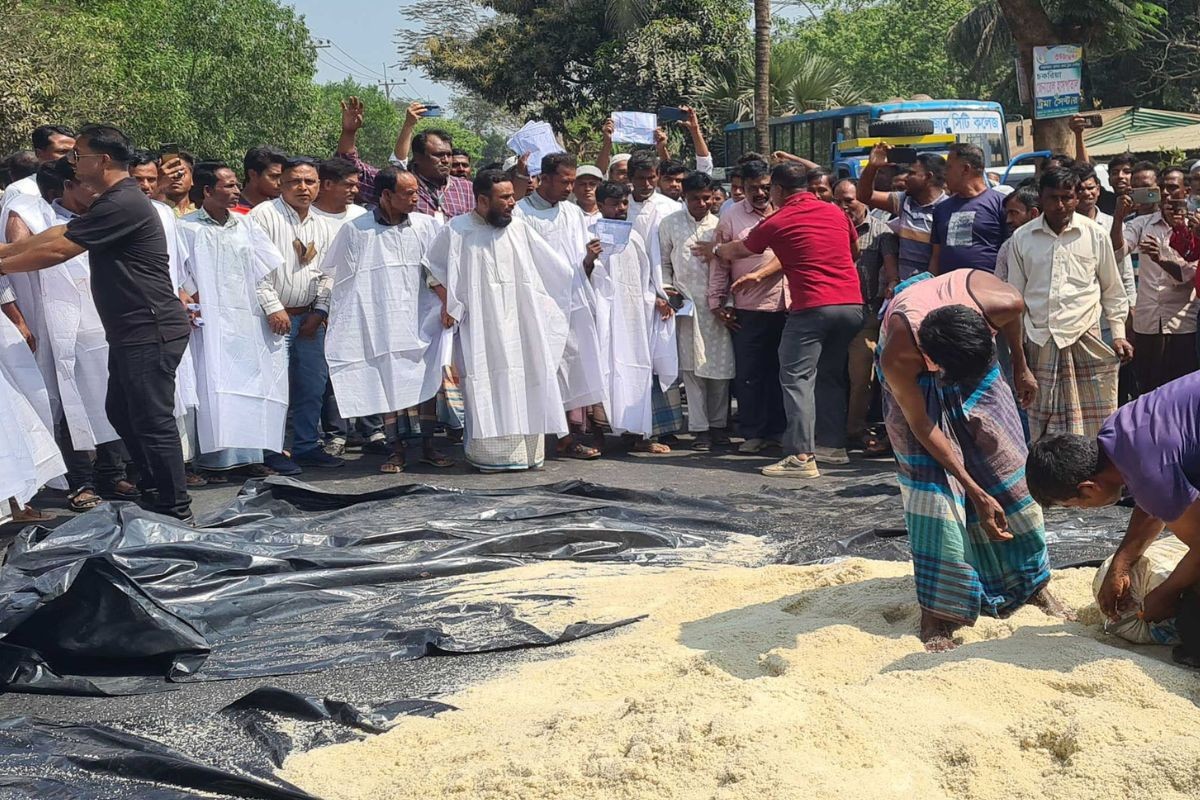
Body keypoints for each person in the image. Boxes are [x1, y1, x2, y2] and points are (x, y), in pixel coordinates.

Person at [0, 124, 194, 521]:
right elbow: (58, 232)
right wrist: (7, 251)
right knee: (121, 411)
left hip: (149, 326)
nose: (73, 162)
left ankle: (175, 508)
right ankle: (155, 490)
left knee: (151, 418)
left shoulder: (124, 202)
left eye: (79, 155)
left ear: (101, 160)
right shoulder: (114, 199)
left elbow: (58, 250)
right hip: (131, 328)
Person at [878, 269, 1061, 649]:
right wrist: (974, 490)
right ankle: (938, 614)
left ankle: (1032, 585)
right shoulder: (900, 352)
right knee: (933, 495)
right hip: (918, 389)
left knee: (1012, 474)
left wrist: (1021, 366)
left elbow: (1014, 316)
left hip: (977, 364)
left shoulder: (1000, 304)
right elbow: (923, 426)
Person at [694, 163, 863, 477]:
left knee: (796, 378)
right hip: (851, 305)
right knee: (829, 376)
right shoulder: (834, 212)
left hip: (811, 307)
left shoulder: (780, 219)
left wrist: (715, 249)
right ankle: (832, 447)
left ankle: (801, 457)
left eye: (770, 187)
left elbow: (741, 249)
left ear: (779, 190)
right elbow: (853, 250)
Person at [424, 169, 575, 472]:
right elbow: (432, 271)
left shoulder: (518, 228)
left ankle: (526, 453)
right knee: (485, 380)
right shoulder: (457, 230)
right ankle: (489, 454)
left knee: (526, 379)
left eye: (512, 196)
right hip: (479, 327)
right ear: (482, 200)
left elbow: (557, 271)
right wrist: (447, 303)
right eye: (504, 198)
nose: (512, 203)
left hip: (522, 325)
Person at [7, 159, 131, 512]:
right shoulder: (35, 219)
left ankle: (113, 471)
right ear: (64, 187)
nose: (93, 189)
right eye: (84, 183)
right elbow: (20, 264)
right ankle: (82, 481)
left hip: (105, 322)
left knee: (109, 398)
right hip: (59, 327)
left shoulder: (106, 215)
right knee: (71, 403)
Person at [1026, 373, 1200, 624]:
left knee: (1191, 624)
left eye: (1075, 505)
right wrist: (1122, 563)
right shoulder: (1117, 430)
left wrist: (1164, 595)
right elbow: (1156, 503)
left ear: (1088, 488)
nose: (1083, 511)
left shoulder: (1149, 474)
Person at [321, 166, 453, 474]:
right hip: (379, 321)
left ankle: (429, 446)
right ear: (385, 195)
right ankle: (395, 450)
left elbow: (436, 271)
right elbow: (342, 279)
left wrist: (447, 304)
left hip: (422, 319)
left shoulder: (425, 226)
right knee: (388, 384)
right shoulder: (357, 230)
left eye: (416, 192)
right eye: (408, 193)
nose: (415, 198)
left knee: (427, 382)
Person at [179, 162, 287, 482]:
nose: (235, 190)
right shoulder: (186, 229)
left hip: (244, 320)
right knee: (211, 386)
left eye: (236, 184)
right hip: (207, 324)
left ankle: (251, 457)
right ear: (207, 191)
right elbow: (178, 277)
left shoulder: (245, 225)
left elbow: (261, 273)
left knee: (250, 384)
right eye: (227, 186)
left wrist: (272, 307)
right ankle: (214, 460)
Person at [1007, 168, 1132, 442]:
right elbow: (1015, 303)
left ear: (1077, 199)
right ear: (1041, 198)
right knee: (1044, 428)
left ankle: (1095, 480)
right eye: (1053, 197)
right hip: (1040, 342)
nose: (1060, 205)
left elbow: (1112, 290)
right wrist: (1020, 361)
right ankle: (1049, 483)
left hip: (1086, 338)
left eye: (1067, 197)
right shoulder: (1022, 238)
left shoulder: (1095, 234)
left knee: (1097, 427)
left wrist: (1119, 335)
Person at [250, 156, 344, 473]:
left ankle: (305, 445)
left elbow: (329, 273)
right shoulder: (263, 216)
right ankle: (271, 449)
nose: (303, 188)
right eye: (295, 181)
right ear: (281, 184)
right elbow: (254, 269)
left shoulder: (322, 224)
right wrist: (274, 307)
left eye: (310, 182)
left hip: (310, 318)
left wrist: (320, 310)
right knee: (274, 389)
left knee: (312, 386)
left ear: (319, 185)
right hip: (273, 319)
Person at [513, 152, 607, 460]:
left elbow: (578, 262)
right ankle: (537, 437)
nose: (570, 188)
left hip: (570, 302)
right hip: (536, 304)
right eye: (565, 181)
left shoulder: (571, 213)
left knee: (572, 367)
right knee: (540, 369)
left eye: (573, 181)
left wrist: (590, 259)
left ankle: (569, 436)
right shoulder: (521, 213)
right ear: (546, 178)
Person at [589, 180, 677, 450]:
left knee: (635, 371)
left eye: (625, 203)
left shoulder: (636, 237)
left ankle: (636, 436)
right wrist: (588, 259)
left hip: (631, 319)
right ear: (601, 205)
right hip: (600, 318)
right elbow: (579, 278)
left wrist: (657, 300)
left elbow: (648, 279)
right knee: (599, 372)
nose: (621, 209)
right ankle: (596, 436)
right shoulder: (588, 234)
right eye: (615, 204)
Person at [708, 159, 787, 454]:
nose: (760, 194)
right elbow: (719, 261)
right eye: (753, 188)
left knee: (781, 372)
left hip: (786, 305)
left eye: (766, 188)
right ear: (741, 188)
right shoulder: (730, 217)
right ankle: (753, 433)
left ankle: (778, 431)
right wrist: (717, 302)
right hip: (748, 308)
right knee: (750, 374)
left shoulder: (785, 211)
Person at [660, 172, 732, 450]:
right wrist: (667, 290)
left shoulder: (721, 225)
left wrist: (729, 305)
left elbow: (732, 267)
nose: (701, 203)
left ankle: (719, 426)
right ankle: (700, 429)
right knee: (692, 371)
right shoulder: (670, 224)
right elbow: (664, 263)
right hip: (686, 308)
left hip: (717, 308)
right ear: (684, 197)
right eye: (695, 198)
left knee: (720, 370)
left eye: (707, 198)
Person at [1112, 168, 1200, 393]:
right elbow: (1117, 253)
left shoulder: (1195, 226)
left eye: (1173, 188)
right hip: (1148, 321)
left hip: (1183, 322)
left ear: (1185, 190)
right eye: (1162, 188)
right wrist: (1119, 218)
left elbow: (1188, 276)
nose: (1167, 193)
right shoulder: (1142, 223)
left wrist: (1160, 259)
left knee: (1182, 389)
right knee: (1149, 388)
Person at [833, 178, 897, 454]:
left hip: (866, 313)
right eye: (838, 200)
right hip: (832, 311)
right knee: (829, 374)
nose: (844, 206)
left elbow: (892, 274)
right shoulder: (828, 227)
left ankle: (854, 430)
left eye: (849, 200)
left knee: (861, 376)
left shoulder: (882, 232)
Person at [627, 151, 687, 438]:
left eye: (652, 178)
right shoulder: (619, 207)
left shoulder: (669, 208)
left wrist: (665, 293)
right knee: (632, 359)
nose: (647, 184)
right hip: (628, 296)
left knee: (662, 358)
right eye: (641, 178)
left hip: (662, 296)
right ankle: (633, 427)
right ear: (630, 179)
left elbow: (670, 255)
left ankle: (665, 428)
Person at [857, 145, 947, 279]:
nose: (905, 178)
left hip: (931, 289)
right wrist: (872, 166)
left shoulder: (946, 209)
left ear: (928, 177)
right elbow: (864, 196)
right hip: (904, 289)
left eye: (911, 173)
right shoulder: (905, 200)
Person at [929, 143, 1007, 274]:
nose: (944, 173)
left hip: (987, 289)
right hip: (949, 289)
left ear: (965, 169)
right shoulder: (941, 209)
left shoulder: (1001, 204)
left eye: (949, 167)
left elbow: (1011, 251)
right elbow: (936, 256)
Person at [0, 125, 75, 211]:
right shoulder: (19, 190)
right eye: (62, 152)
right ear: (39, 153)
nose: (69, 157)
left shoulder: (84, 185)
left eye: (73, 152)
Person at [994, 185, 1040, 281]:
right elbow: (1001, 285)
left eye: (1014, 213)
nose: (1008, 220)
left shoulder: (1057, 241)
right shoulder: (1007, 247)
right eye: (1008, 214)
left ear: (1033, 214)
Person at [312, 157, 366, 223]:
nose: (355, 190)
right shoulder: (305, 216)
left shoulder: (361, 216)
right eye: (349, 185)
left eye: (356, 185)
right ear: (328, 184)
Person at [237, 145, 287, 211]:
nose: (280, 182)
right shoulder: (228, 210)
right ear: (252, 174)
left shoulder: (284, 208)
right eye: (274, 176)